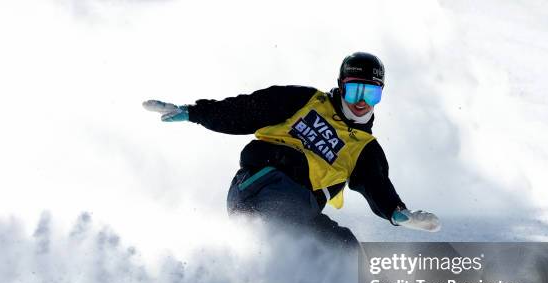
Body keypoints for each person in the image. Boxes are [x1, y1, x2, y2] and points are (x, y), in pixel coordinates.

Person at [143, 52, 440, 250]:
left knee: (345, 250)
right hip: (263, 183)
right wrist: (193, 112)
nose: (361, 102)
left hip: (292, 211)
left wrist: (397, 213)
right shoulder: (305, 100)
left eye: (371, 93)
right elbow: (246, 109)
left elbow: (377, 185)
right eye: (354, 91)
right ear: (340, 86)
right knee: (308, 235)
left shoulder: (364, 149)